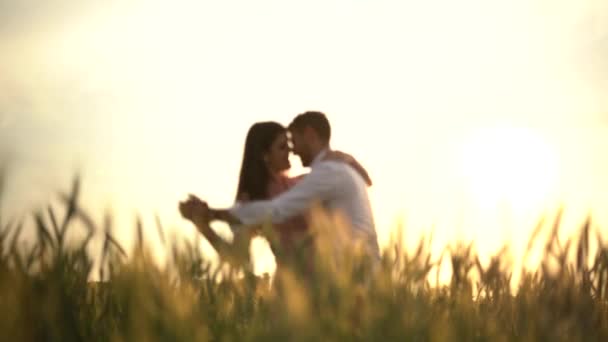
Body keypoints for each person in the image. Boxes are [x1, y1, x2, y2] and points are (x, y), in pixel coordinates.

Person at [180, 111, 380, 271]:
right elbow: (238, 259)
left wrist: (346, 159)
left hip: (328, 282)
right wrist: (202, 224)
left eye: (291, 144)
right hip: (295, 291)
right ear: (265, 155)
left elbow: (367, 181)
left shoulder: (300, 184)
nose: (291, 152)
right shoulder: (252, 199)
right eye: (283, 147)